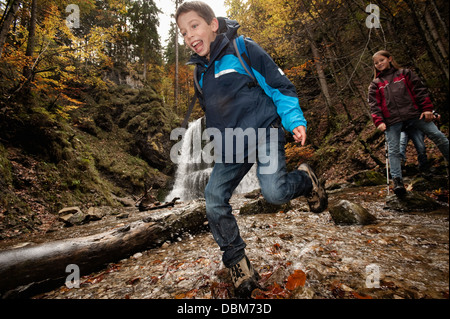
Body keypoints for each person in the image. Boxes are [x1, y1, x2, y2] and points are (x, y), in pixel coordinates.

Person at [175, 1, 327, 298]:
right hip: (231, 147)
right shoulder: (198, 74)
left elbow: (279, 85)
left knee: (274, 193)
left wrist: (294, 119)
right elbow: (212, 112)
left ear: (213, 25)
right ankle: (236, 262)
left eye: (194, 25)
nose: (189, 35)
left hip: (264, 132)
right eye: (183, 32)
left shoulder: (244, 49)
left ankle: (306, 179)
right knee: (214, 198)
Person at [368, 50, 449, 196]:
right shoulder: (375, 84)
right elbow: (374, 105)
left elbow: (420, 91)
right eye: (376, 63)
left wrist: (427, 109)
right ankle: (398, 182)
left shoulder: (405, 74)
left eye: (382, 60)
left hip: (414, 115)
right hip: (392, 121)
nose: (379, 64)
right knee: (394, 151)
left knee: (439, 136)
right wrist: (378, 121)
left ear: (390, 59)